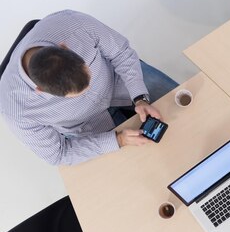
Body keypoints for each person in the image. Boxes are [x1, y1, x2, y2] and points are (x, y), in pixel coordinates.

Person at [0, 10, 178, 165]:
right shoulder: (15, 111)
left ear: (65, 47)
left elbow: (121, 53)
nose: (88, 90)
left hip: (119, 80)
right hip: (89, 126)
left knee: (190, 105)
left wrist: (140, 97)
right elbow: (59, 154)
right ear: (40, 90)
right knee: (145, 165)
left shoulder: (73, 24)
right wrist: (118, 140)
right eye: (74, 95)